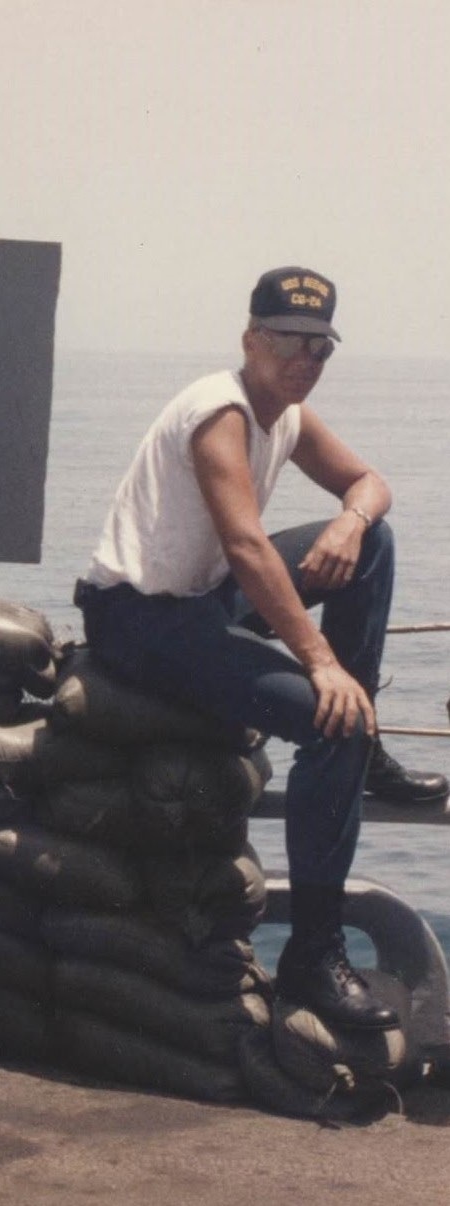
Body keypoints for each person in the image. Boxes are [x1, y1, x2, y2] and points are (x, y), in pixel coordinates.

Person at [75, 266, 448, 1030]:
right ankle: (312, 955)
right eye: (286, 341)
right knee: (333, 725)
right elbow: (247, 545)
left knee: (373, 543)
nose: (304, 359)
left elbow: (370, 483)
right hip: (138, 618)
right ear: (251, 340)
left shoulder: (288, 416)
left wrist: (349, 522)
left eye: (320, 347)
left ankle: (364, 743)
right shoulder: (221, 411)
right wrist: (321, 663)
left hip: (203, 598)